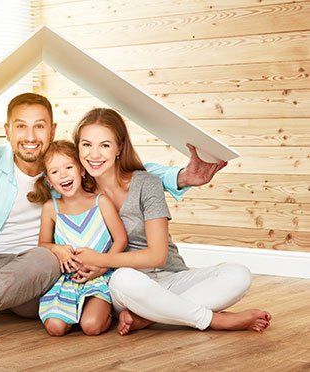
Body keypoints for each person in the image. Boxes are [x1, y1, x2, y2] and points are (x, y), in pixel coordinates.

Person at [0, 93, 227, 355]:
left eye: (39, 126)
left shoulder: (68, 163)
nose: (29, 135)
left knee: (45, 255)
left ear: (52, 130)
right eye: (21, 126)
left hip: (40, 275)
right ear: (7, 130)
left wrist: (181, 176)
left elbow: (129, 171)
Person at [71, 108, 272, 335]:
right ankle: (214, 320)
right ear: (77, 147)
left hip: (172, 277)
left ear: (119, 148)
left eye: (105, 145)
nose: (94, 154)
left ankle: (146, 318)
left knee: (239, 274)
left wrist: (100, 260)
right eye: (87, 145)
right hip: (129, 288)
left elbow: (157, 255)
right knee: (123, 279)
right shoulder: (76, 190)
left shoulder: (147, 183)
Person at [27, 140, 127, 336]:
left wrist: (102, 267)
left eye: (68, 167)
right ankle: (73, 312)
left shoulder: (101, 202)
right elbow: (43, 244)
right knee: (55, 328)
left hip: (100, 277)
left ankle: (106, 312)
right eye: (55, 172)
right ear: (49, 180)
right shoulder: (51, 208)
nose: (63, 174)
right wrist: (57, 249)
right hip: (67, 280)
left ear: (81, 170)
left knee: (91, 326)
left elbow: (121, 239)